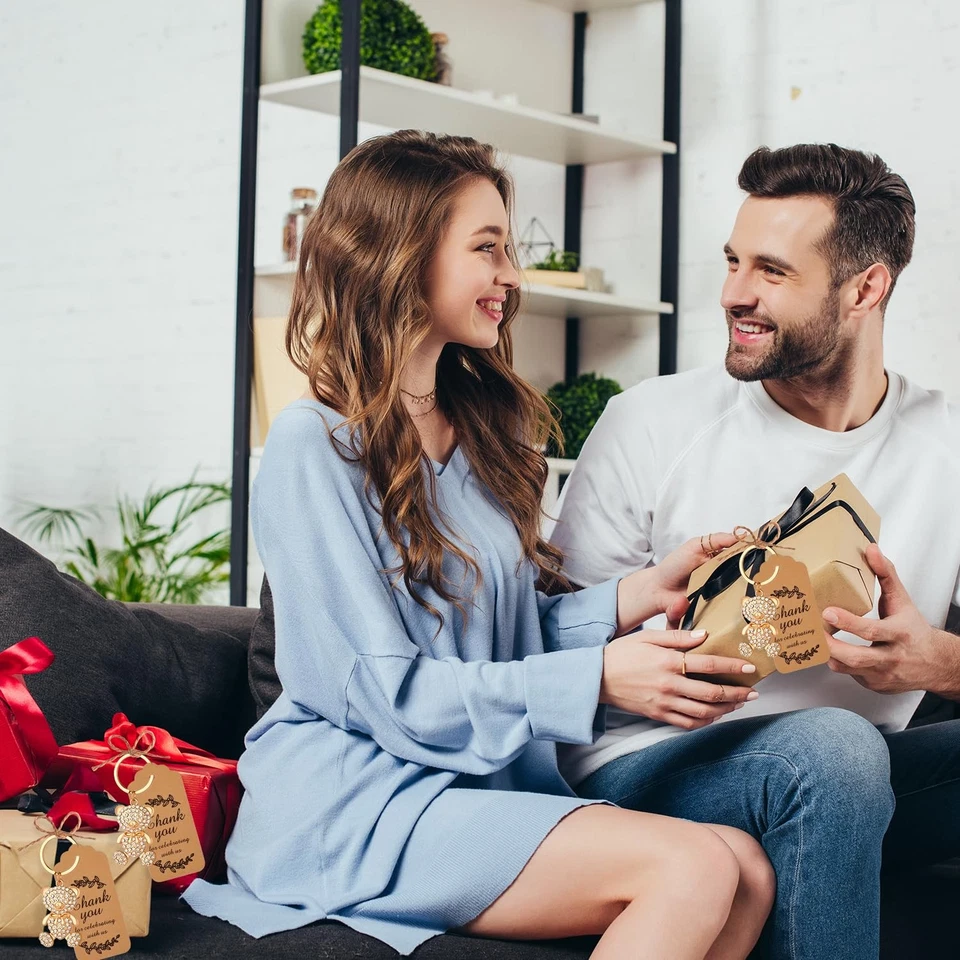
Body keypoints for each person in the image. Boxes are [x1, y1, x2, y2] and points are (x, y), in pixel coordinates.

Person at [183, 130, 775, 958]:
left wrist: (641, 593)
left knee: (745, 866)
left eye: (507, 249)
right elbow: (387, 692)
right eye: (487, 248)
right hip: (356, 799)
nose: (510, 276)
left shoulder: (484, 439)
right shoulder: (313, 445)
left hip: (463, 783)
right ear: (402, 253)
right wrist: (601, 675)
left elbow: (495, 635)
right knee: (695, 869)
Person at [550, 142, 960, 959]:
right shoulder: (652, 422)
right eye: (733, 261)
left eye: (772, 271)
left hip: (856, 777)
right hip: (649, 769)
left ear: (865, 288)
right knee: (833, 752)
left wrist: (937, 663)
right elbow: (545, 631)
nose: (735, 293)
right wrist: (656, 657)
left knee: (842, 759)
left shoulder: (945, 440)